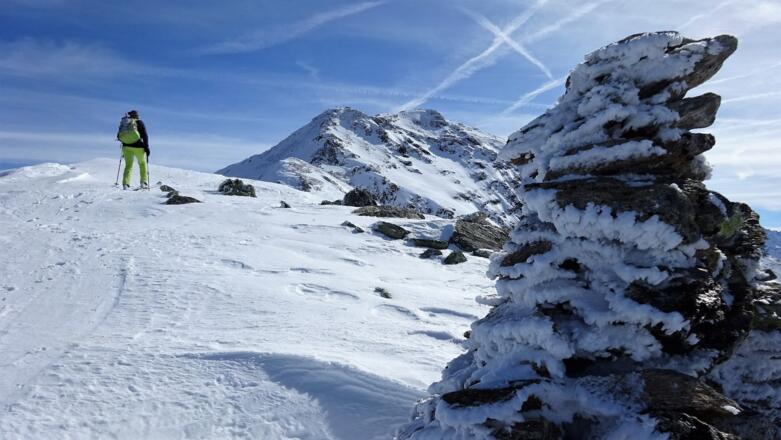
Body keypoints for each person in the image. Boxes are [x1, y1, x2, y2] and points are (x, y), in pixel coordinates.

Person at [120, 109, 150, 189]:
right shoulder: (140, 122)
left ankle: (125, 184)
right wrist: (147, 147)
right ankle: (143, 183)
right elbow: (145, 135)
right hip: (139, 147)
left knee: (128, 165)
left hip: (126, 147)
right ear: (137, 116)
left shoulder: (125, 123)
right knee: (142, 164)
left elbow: (118, 135)